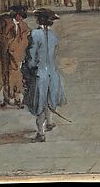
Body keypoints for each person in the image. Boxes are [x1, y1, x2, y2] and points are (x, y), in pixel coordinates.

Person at [22, 9, 66, 142]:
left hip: (39, 74)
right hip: (52, 74)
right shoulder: (53, 36)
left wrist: (27, 69)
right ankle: (50, 122)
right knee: (48, 99)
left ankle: (41, 133)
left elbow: (31, 57)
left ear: (38, 20)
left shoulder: (34, 34)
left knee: (39, 103)